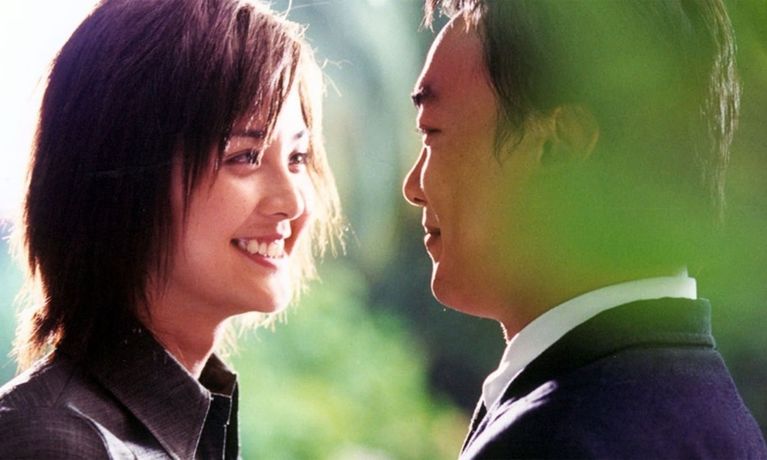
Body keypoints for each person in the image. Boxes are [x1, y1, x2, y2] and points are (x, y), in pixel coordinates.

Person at [403, 0, 767, 458]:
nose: (412, 186)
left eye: (431, 132)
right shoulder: (719, 420)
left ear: (556, 146)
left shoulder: (556, 438)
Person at [0, 0, 341, 457]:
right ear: (127, 175)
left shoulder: (187, 428)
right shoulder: (55, 442)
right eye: (245, 156)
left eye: (297, 158)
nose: (293, 202)